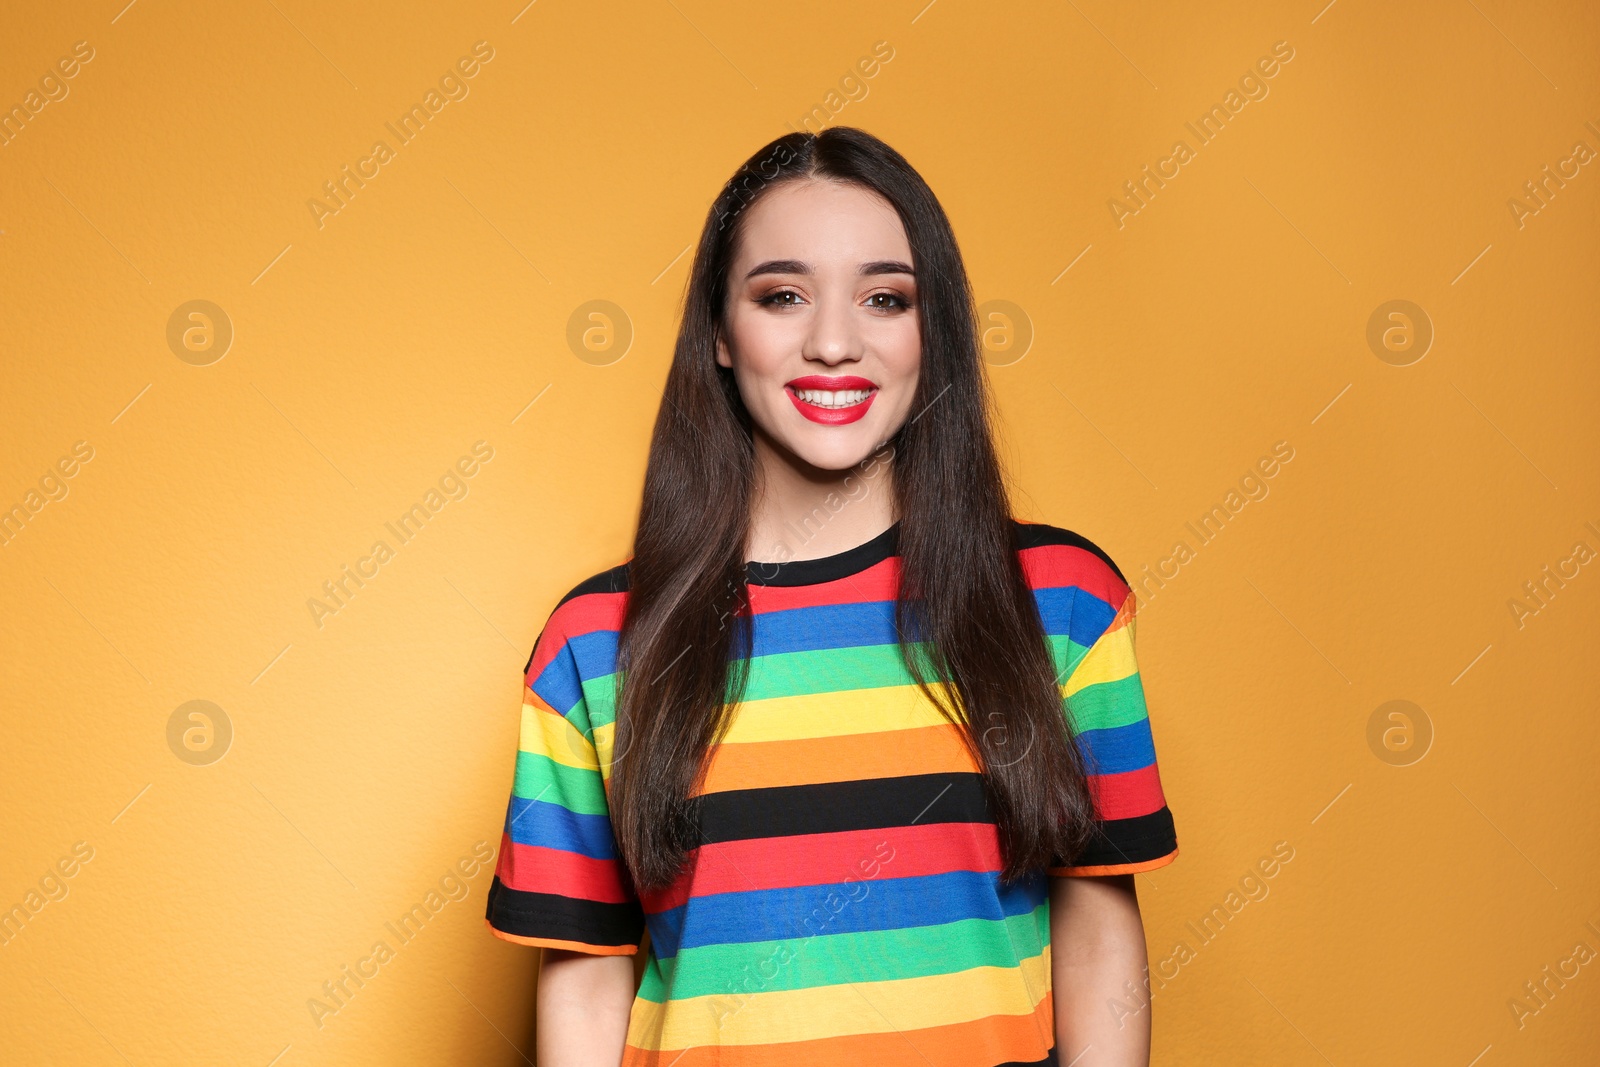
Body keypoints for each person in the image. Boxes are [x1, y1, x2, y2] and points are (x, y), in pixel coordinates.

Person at [484, 125, 1178, 1067]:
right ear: (722, 335)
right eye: (783, 296)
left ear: (933, 334)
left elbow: (1098, 927)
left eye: (885, 298)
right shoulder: (597, 645)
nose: (835, 343)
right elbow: (586, 975)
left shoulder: (1063, 606)